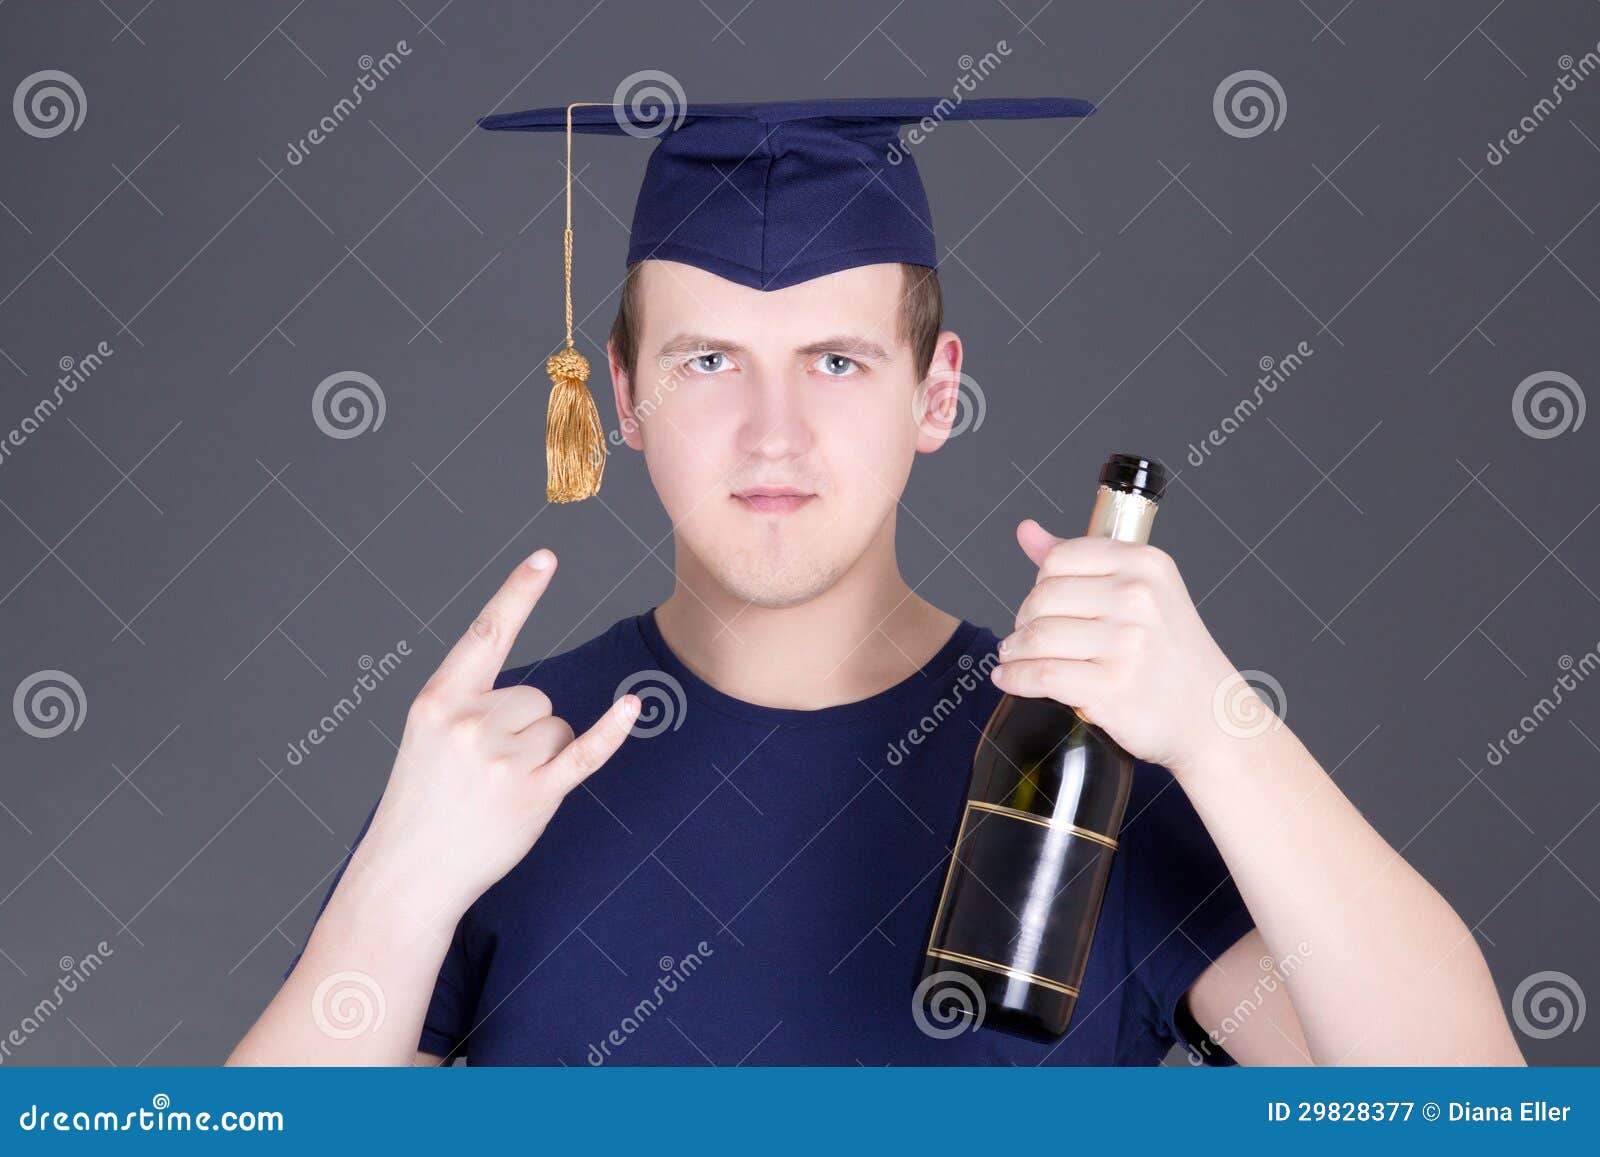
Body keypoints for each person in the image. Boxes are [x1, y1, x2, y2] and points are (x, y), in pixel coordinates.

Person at [227, 98, 1524, 1066]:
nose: (775, 433)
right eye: (708, 362)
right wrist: (397, 884)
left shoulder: (1093, 761)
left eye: (839, 361)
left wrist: (1224, 731)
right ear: (620, 393)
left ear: (938, 391)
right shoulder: (505, 770)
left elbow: (1465, 1112)